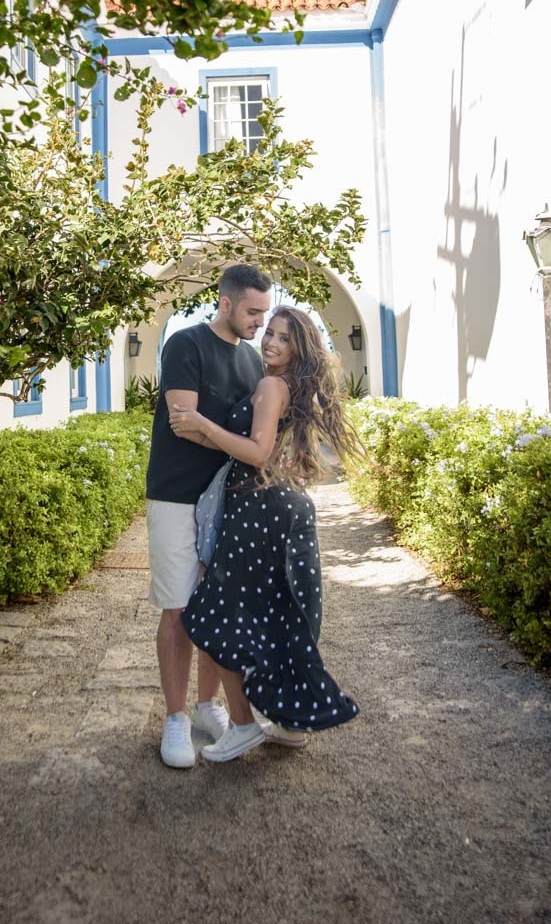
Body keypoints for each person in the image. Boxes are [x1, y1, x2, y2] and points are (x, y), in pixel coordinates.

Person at [169, 306, 360, 763]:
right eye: (269, 333)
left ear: (298, 347)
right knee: (282, 615)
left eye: (282, 338)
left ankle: (242, 725)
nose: (270, 342)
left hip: (258, 510)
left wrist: (202, 424)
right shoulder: (292, 384)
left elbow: (257, 452)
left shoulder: (272, 385)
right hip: (283, 506)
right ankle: (292, 726)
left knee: (221, 615)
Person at [146, 264, 272, 768]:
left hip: (229, 500)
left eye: (265, 313)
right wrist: (243, 446)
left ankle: (206, 708)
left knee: (216, 608)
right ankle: (175, 719)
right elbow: (182, 425)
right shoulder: (185, 344)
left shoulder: (253, 364)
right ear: (225, 303)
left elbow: (236, 434)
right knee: (177, 608)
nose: (260, 322)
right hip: (177, 495)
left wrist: (235, 443)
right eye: (252, 311)